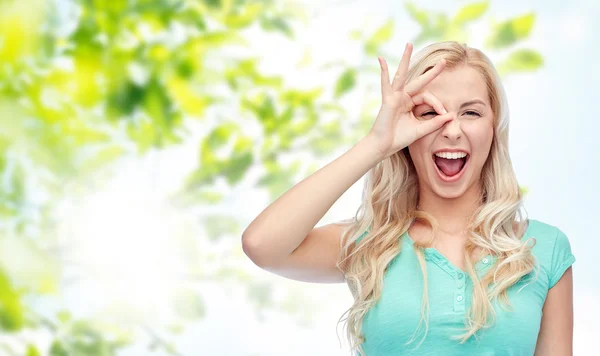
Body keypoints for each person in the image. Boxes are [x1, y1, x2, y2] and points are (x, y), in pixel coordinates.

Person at [241, 41, 575, 356]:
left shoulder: (543, 249)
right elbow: (261, 244)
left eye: (471, 113)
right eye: (430, 113)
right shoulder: (369, 244)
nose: (452, 130)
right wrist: (377, 144)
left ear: (493, 128)